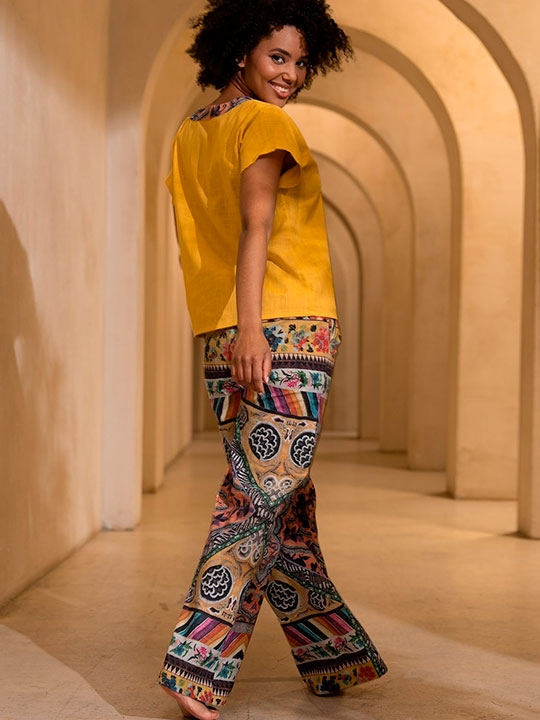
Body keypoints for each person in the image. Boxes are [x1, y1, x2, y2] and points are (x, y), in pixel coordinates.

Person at [158, 1, 387, 717]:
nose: (291, 74)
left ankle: (333, 654)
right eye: (277, 57)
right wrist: (255, 329)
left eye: (300, 61)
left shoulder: (190, 132)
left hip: (222, 330)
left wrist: (235, 330)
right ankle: (195, 664)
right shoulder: (266, 123)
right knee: (258, 498)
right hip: (283, 333)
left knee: (283, 500)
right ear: (241, 53)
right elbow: (255, 225)